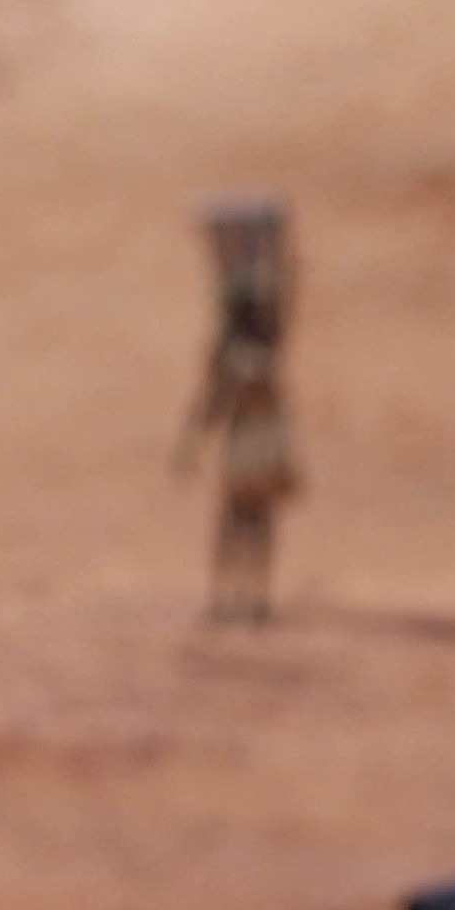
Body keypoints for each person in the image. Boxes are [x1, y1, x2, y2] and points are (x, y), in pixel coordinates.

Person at [183, 202, 299, 627]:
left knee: (253, 522)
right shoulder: (239, 351)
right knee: (237, 522)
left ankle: (251, 597)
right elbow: (211, 400)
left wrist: (282, 252)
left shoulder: (261, 348)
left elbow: (285, 299)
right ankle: (228, 596)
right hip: (251, 440)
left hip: (261, 439)